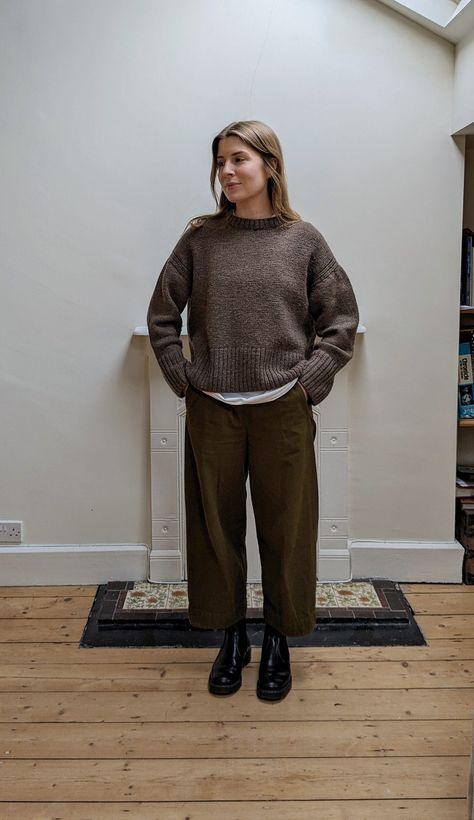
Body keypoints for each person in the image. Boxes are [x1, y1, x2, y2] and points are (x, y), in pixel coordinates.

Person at [147, 120, 359, 702]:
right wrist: (183, 379)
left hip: (282, 409)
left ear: (270, 165)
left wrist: (307, 385)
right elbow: (162, 318)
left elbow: (340, 321)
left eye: (238, 159)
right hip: (213, 406)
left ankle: (280, 641)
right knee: (215, 528)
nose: (227, 171)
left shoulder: (304, 240)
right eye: (220, 162)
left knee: (287, 529)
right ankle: (232, 638)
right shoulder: (199, 240)